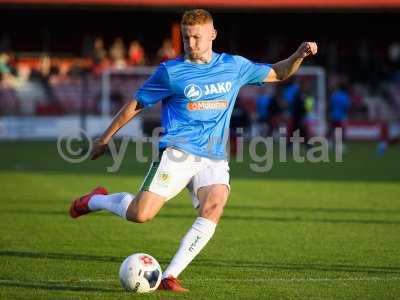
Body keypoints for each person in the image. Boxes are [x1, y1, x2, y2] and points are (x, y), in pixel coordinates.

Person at [69, 9, 317, 292]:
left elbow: (279, 72)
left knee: (214, 206)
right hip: (177, 153)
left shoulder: (233, 66)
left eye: (197, 37)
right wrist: (105, 138)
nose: (191, 43)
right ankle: (95, 200)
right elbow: (136, 104)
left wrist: (298, 55)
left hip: (214, 156)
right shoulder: (170, 72)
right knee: (141, 214)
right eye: (187, 38)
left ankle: (169, 277)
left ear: (212, 35)